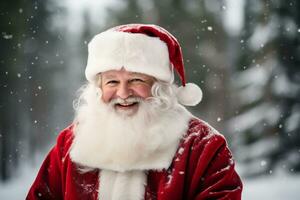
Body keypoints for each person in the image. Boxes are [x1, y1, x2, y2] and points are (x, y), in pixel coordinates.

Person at [26, 24, 243, 200]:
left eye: (136, 80)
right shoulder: (69, 143)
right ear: (98, 89)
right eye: (112, 82)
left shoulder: (204, 146)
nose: (122, 93)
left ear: (160, 87)